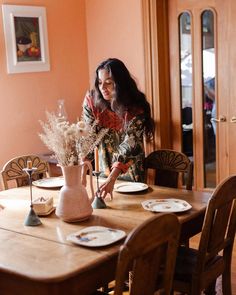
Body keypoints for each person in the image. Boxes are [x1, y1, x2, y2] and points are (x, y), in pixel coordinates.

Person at [82, 58, 154, 199]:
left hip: (130, 168)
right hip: (103, 168)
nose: (103, 87)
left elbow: (130, 144)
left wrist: (112, 178)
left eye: (109, 82)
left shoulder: (135, 106)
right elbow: (88, 136)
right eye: (100, 82)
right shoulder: (92, 101)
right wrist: (82, 170)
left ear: (121, 83)